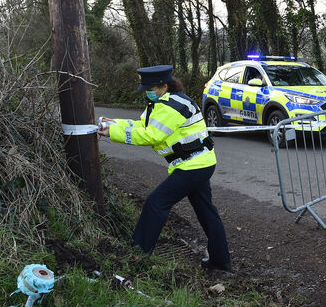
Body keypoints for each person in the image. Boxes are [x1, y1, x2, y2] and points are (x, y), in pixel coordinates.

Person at [97, 64, 232, 272]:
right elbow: (144, 126)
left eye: (151, 89)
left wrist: (112, 133)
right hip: (199, 163)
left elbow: (152, 135)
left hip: (192, 166)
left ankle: (138, 255)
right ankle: (220, 260)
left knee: (155, 203)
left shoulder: (171, 106)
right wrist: (115, 123)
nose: (148, 92)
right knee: (206, 212)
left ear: (164, 86)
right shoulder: (165, 101)